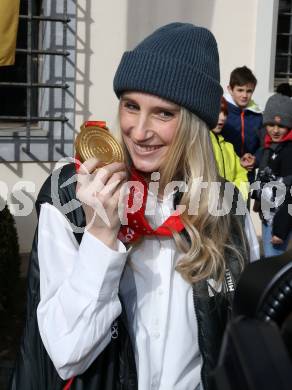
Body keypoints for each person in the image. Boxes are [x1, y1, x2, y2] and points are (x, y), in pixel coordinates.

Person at [11, 23, 259, 390]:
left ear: (194, 123)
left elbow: (238, 345)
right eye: (131, 106)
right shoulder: (72, 195)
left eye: (163, 113)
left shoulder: (227, 208)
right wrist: (100, 235)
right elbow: (66, 353)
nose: (139, 131)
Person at [252, 93, 292, 258]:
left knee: (274, 262)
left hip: (278, 220)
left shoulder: (289, 152)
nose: (275, 130)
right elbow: (265, 177)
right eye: (270, 124)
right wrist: (258, 201)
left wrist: (280, 230)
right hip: (268, 215)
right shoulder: (269, 147)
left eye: (281, 126)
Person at [221, 66, 263, 182]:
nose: (245, 95)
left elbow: (263, 145)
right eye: (240, 90)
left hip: (247, 177)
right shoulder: (220, 112)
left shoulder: (258, 115)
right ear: (230, 89)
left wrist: (255, 160)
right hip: (223, 175)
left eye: (249, 91)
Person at [210, 96, 249, 201]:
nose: (223, 117)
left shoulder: (229, 147)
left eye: (225, 113)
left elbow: (242, 175)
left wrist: (236, 198)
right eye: (218, 112)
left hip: (230, 211)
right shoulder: (199, 144)